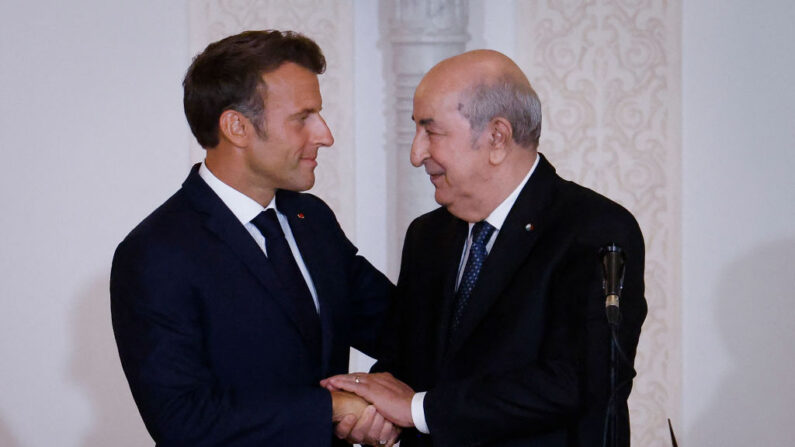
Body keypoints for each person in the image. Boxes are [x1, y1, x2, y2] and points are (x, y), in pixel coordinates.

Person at [323, 50, 647, 446]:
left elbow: (581, 379)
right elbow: (409, 362)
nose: (416, 154)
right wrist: (366, 405)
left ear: (496, 137)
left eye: (432, 132)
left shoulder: (594, 230)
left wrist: (417, 410)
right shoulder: (427, 236)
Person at [111, 30, 397, 446]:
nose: (325, 134)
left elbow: (401, 328)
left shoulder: (312, 220)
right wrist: (333, 408)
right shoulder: (155, 253)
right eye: (303, 117)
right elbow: (182, 420)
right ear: (237, 127)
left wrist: (384, 400)